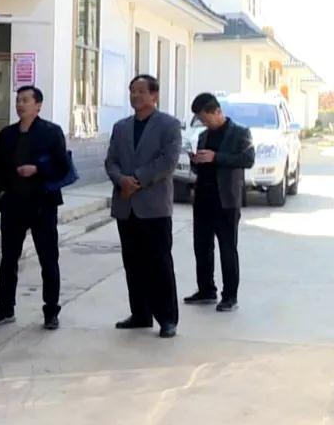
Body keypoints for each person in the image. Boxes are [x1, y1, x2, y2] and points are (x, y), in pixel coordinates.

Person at [0, 86, 70, 330]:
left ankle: (51, 311)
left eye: (25, 100)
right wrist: (1, 190)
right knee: (8, 259)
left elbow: (63, 166)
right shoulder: (7, 134)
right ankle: (5, 308)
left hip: (42, 204)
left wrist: (38, 169)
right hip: (13, 204)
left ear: (38, 105)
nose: (20, 105)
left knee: (48, 259)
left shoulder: (51, 132)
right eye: (18, 100)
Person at [105, 75, 182, 339]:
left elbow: (168, 161)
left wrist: (136, 179)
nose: (135, 96)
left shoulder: (169, 125)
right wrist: (121, 180)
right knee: (133, 263)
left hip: (154, 206)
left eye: (141, 91)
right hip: (126, 205)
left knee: (159, 264)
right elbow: (111, 161)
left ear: (154, 95)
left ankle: (167, 318)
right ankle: (140, 313)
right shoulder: (121, 127)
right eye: (132, 91)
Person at [184, 92, 255, 312]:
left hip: (226, 200)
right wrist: (195, 160)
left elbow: (248, 159)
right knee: (202, 247)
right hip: (203, 199)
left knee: (227, 248)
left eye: (206, 118)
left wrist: (216, 157)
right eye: (200, 120)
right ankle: (206, 290)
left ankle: (230, 296)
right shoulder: (203, 136)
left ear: (217, 112)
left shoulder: (240, 133)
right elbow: (202, 166)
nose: (204, 123)